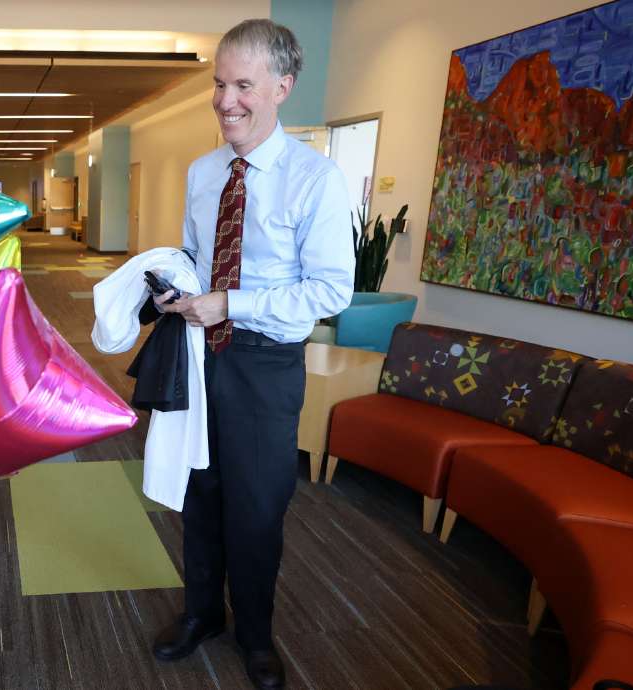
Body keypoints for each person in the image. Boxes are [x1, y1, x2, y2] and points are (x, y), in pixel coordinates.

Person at [151, 18, 354, 689]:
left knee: (258, 507)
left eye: (242, 84)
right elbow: (193, 256)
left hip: (265, 367)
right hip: (200, 353)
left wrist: (231, 303)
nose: (225, 99)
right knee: (201, 494)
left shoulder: (315, 179)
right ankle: (202, 612)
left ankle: (256, 634)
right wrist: (171, 289)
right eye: (219, 83)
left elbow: (330, 291)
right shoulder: (204, 172)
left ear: (282, 87)